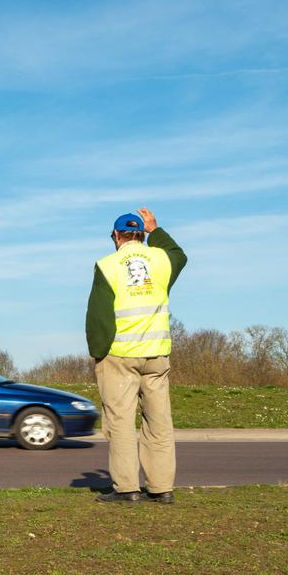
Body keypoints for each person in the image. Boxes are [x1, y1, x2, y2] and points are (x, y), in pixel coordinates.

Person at [86, 208, 186, 504]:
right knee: (158, 422)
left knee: (121, 422)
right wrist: (157, 230)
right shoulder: (161, 259)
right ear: (141, 235)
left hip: (120, 355)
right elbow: (178, 254)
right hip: (156, 355)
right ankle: (162, 488)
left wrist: (98, 352)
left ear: (115, 236)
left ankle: (127, 488)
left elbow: (99, 315)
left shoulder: (107, 265)